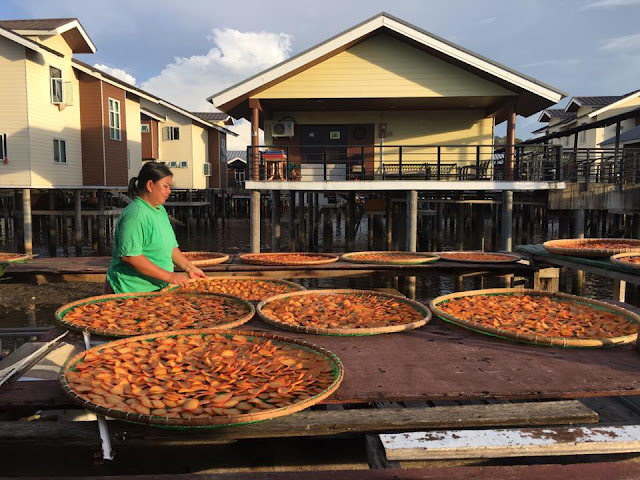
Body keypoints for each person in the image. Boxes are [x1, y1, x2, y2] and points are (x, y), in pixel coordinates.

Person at [105, 162, 207, 294]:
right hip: (129, 291)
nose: (169, 191)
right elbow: (131, 257)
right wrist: (170, 276)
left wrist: (189, 267)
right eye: (165, 186)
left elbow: (170, 247)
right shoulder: (136, 214)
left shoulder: (160, 210)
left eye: (170, 187)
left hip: (156, 289)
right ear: (150, 185)